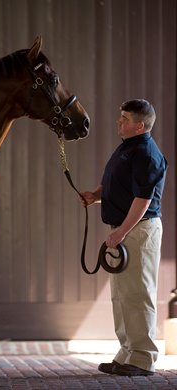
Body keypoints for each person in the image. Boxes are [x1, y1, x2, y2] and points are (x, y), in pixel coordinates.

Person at [81, 99, 168, 376]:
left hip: (138, 230)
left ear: (140, 125)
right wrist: (95, 195)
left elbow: (143, 199)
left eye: (125, 118)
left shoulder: (146, 153)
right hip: (126, 230)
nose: (119, 122)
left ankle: (142, 359)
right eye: (120, 117)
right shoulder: (127, 148)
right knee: (121, 295)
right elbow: (114, 182)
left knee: (138, 294)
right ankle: (127, 352)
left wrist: (121, 232)